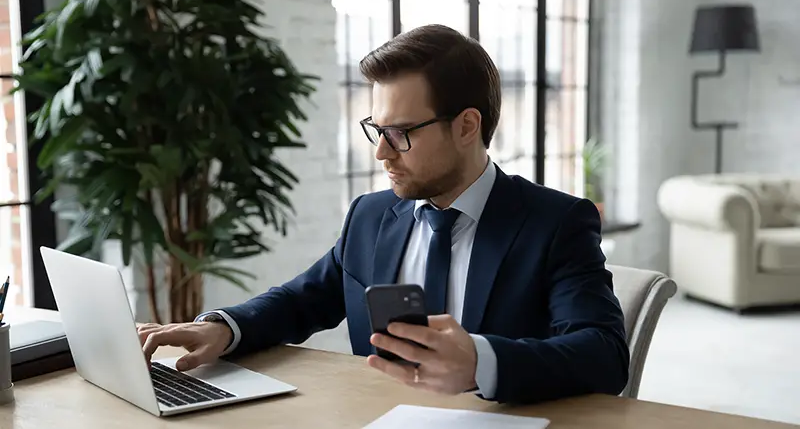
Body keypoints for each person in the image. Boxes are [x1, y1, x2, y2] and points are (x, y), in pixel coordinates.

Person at [137, 24, 629, 405]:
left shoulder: (555, 223)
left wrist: (482, 362)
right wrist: (224, 327)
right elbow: (303, 300)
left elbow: (603, 353)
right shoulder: (371, 218)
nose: (382, 154)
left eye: (400, 133)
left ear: (467, 125)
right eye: (377, 129)